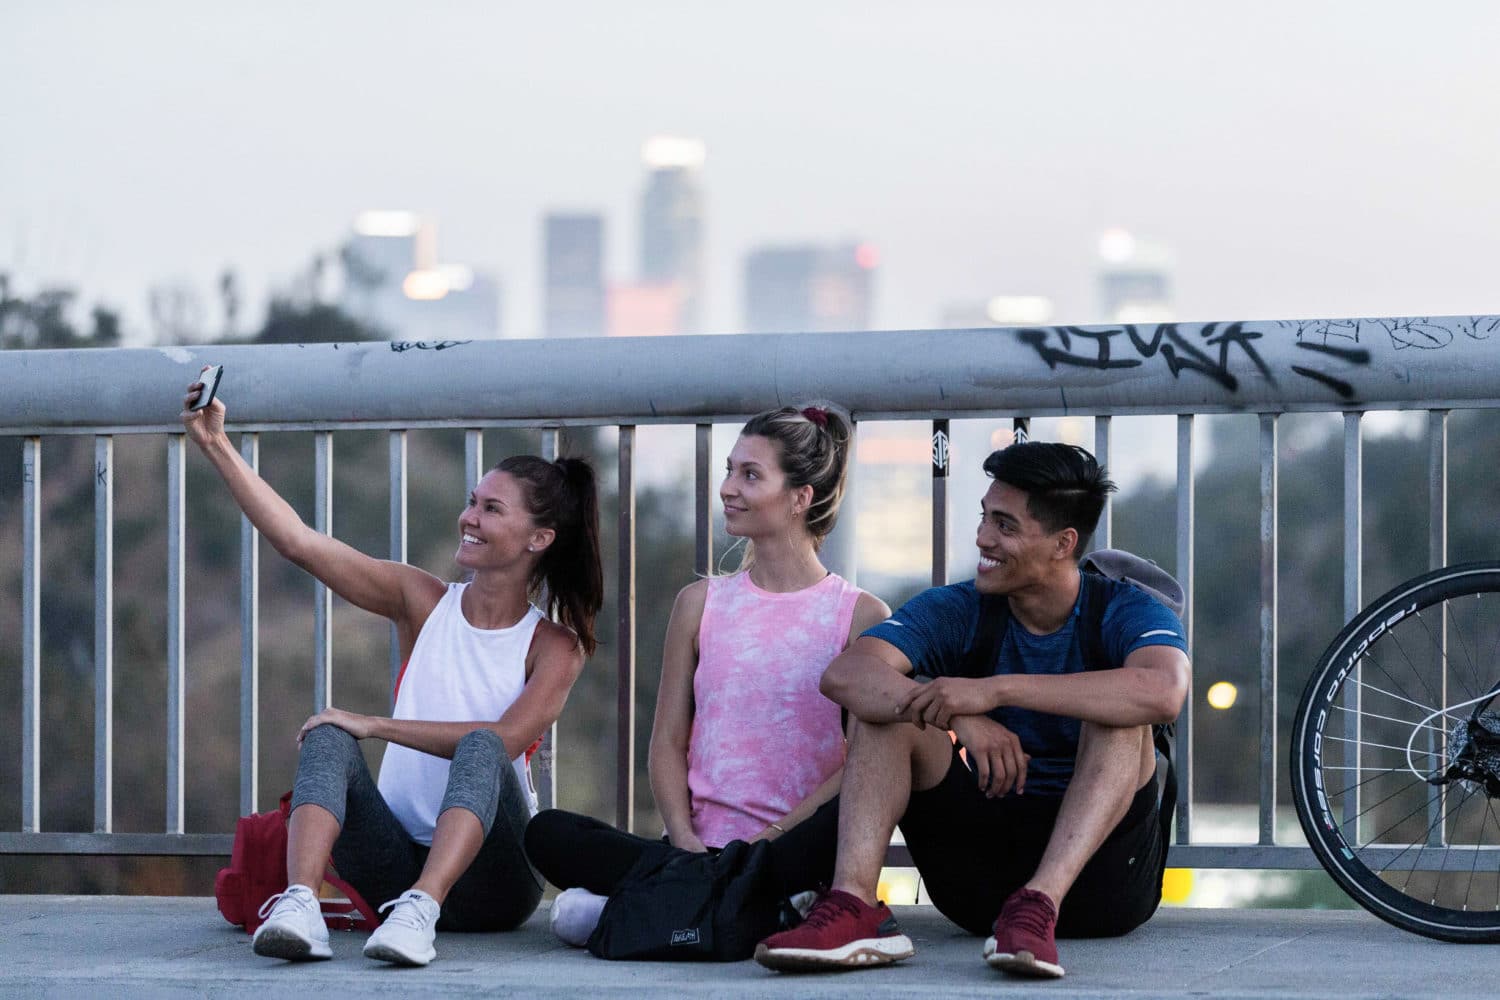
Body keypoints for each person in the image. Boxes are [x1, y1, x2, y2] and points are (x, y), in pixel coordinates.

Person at [181, 370, 603, 967]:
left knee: (482, 746)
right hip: (392, 866)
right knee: (329, 733)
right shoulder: (422, 600)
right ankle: (299, 903)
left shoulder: (554, 645)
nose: (469, 518)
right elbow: (301, 543)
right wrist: (215, 443)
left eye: (490, 509)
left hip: (494, 884)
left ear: (539, 538)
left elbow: (505, 742)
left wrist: (377, 725)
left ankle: (422, 913)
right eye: (470, 502)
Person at [755, 441, 1189, 980]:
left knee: (1122, 713)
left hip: (1105, 885)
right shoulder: (959, 608)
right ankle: (855, 908)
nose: (983, 537)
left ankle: (1039, 904)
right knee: (884, 711)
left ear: (1063, 543)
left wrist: (995, 691)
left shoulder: (1124, 608)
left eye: (1005, 525)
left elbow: (1163, 691)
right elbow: (846, 674)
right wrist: (955, 713)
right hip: (983, 882)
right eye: (985, 517)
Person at [524, 403, 889, 946]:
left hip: (791, 848)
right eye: (729, 469)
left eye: (750, 475)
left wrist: (768, 840)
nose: (727, 488)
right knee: (547, 833)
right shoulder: (699, 603)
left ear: (800, 497)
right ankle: (734, 901)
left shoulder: (860, 615)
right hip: (696, 846)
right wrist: (689, 841)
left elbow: (863, 765)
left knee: (578, 914)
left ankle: (675, 902)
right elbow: (668, 743)